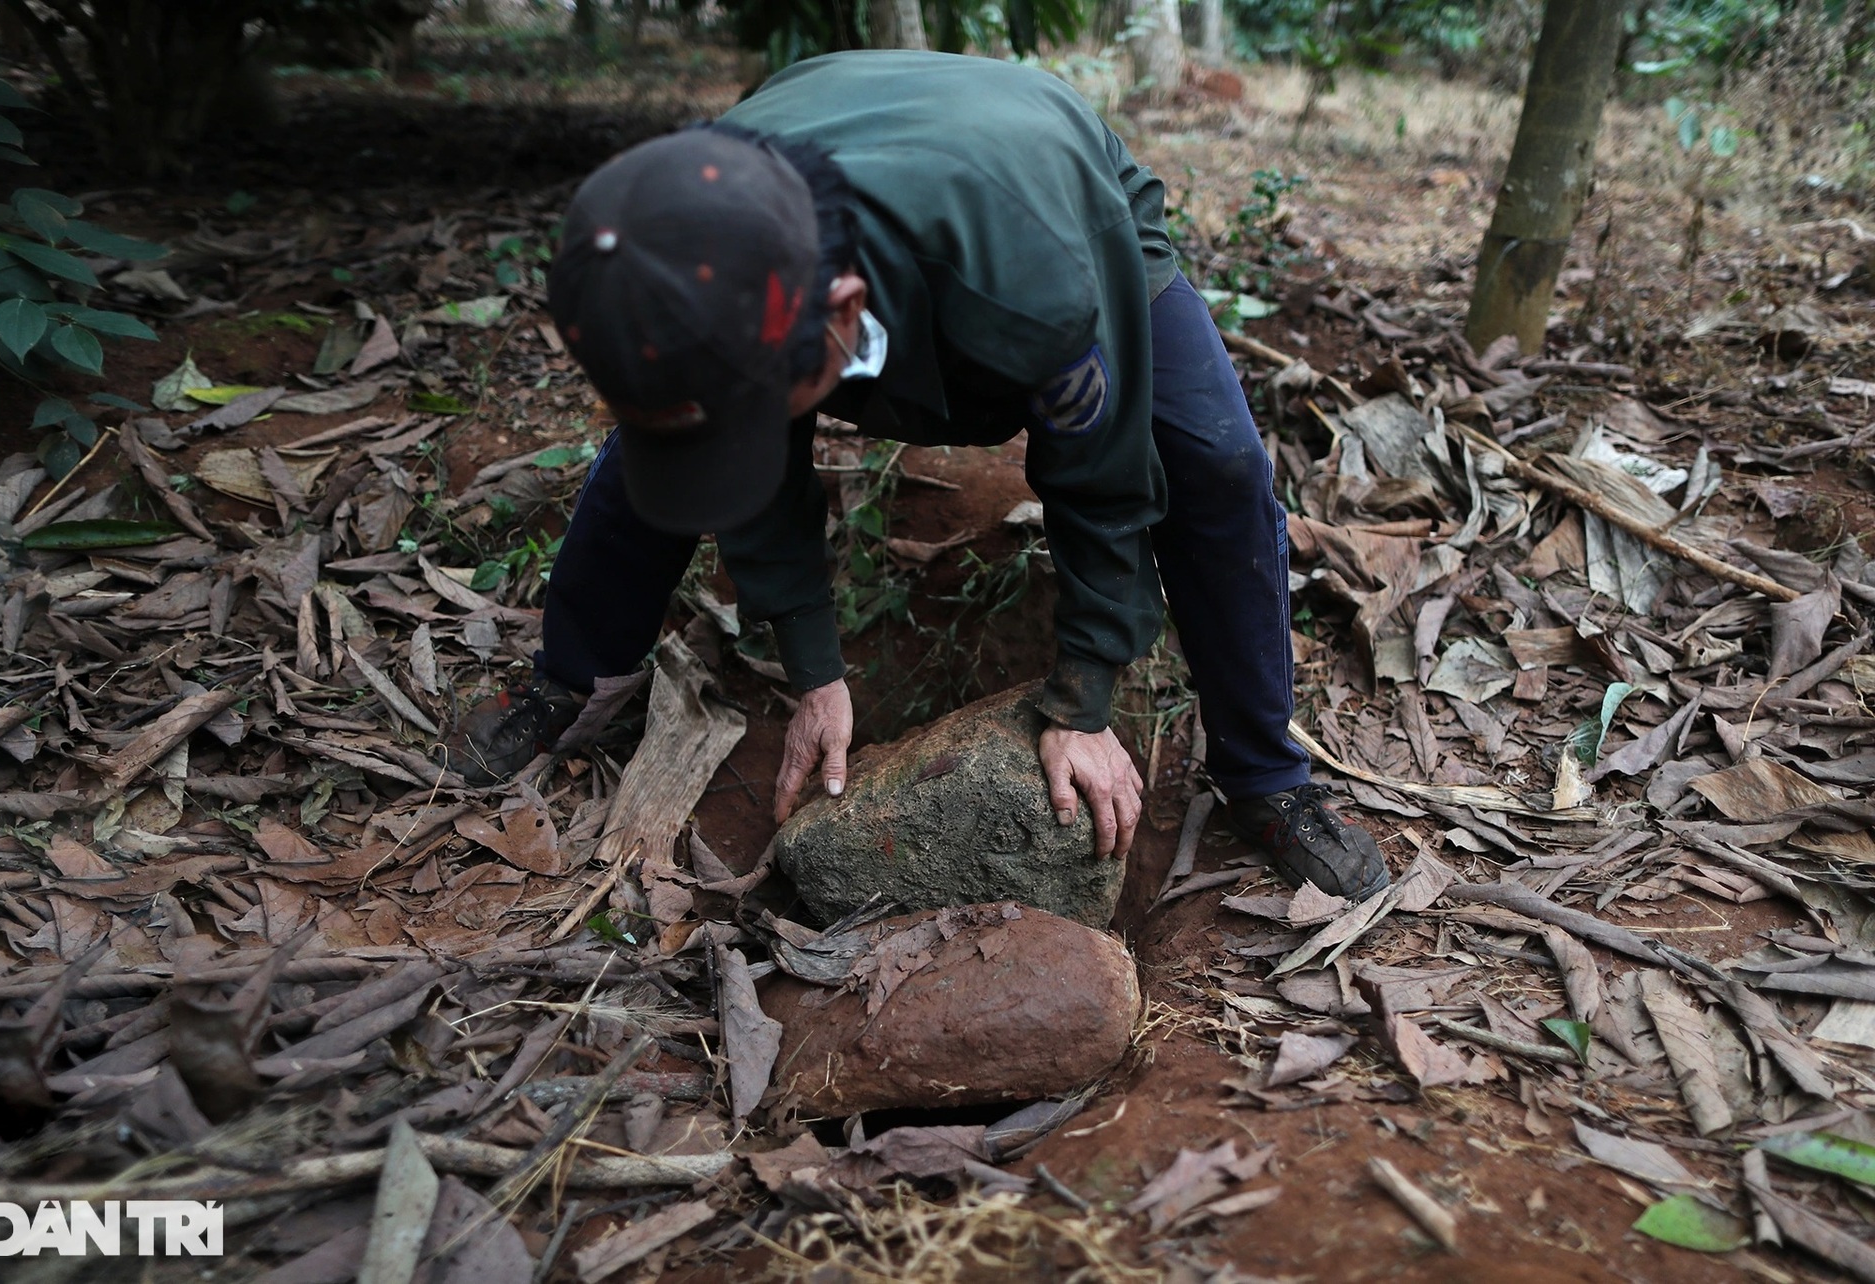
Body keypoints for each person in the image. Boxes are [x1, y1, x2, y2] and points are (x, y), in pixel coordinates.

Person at [446, 50, 1391, 899]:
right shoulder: (686, 233)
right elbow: (742, 452)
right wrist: (814, 672)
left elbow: (1101, 478)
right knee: (670, 443)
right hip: (826, 137)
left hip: (1059, 188)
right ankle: (576, 676)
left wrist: (1082, 699)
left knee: (1217, 465)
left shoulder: (1034, 288)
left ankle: (1266, 777)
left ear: (843, 312)